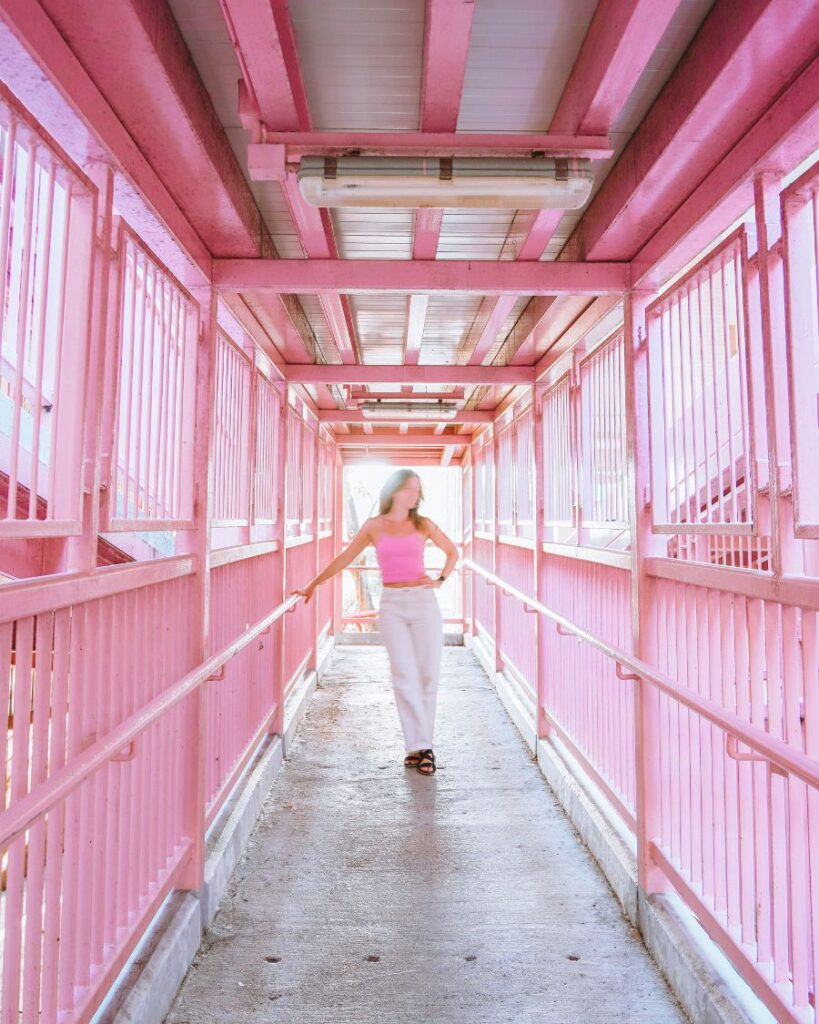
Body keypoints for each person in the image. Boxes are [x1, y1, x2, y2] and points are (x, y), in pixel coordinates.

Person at [292, 469, 459, 775]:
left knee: (427, 675)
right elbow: (345, 558)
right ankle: (421, 747)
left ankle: (422, 747)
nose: (414, 495)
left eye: (417, 491)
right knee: (403, 675)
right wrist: (313, 584)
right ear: (393, 490)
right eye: (409, 489)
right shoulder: (374, 526)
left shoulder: (423, 525)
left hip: (424, 602)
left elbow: (452, 551)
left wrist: (441, 579)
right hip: (393, 604)